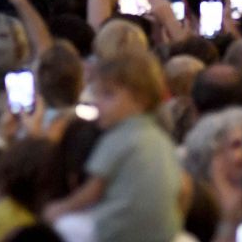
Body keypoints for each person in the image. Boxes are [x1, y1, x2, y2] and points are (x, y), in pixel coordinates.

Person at [45, 49, 184, 242]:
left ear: (141, 99)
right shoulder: (161, 139)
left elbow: (92, 191)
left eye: (108, 95)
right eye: (97, 94)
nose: (97, 103)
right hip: (165, 233)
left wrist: (60, 208)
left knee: (64, 224)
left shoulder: (118, 138)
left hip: (119, 232)